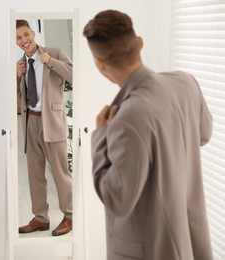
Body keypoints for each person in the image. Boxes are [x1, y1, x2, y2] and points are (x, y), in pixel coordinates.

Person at [83, 10, 213, 260]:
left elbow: (117, 199)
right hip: (191, 240)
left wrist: (101, 137)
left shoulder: (126, 118)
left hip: (151, 250)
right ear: (139, 43)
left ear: (99, 63)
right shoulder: (186, 83)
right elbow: (203, 135)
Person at [16, 19, 73, 236]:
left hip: (53, 121)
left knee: (60, 172)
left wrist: (51, 62)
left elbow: (75, 76)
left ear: (33, 33)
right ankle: (41, 218)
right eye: (18, 38)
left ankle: (70, 216)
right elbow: (15, 96)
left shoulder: (54, 53)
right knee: (35, 174)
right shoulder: (21, 64)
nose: (23, 40)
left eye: (25, 34)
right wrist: (16, 75)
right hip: (31, 121)